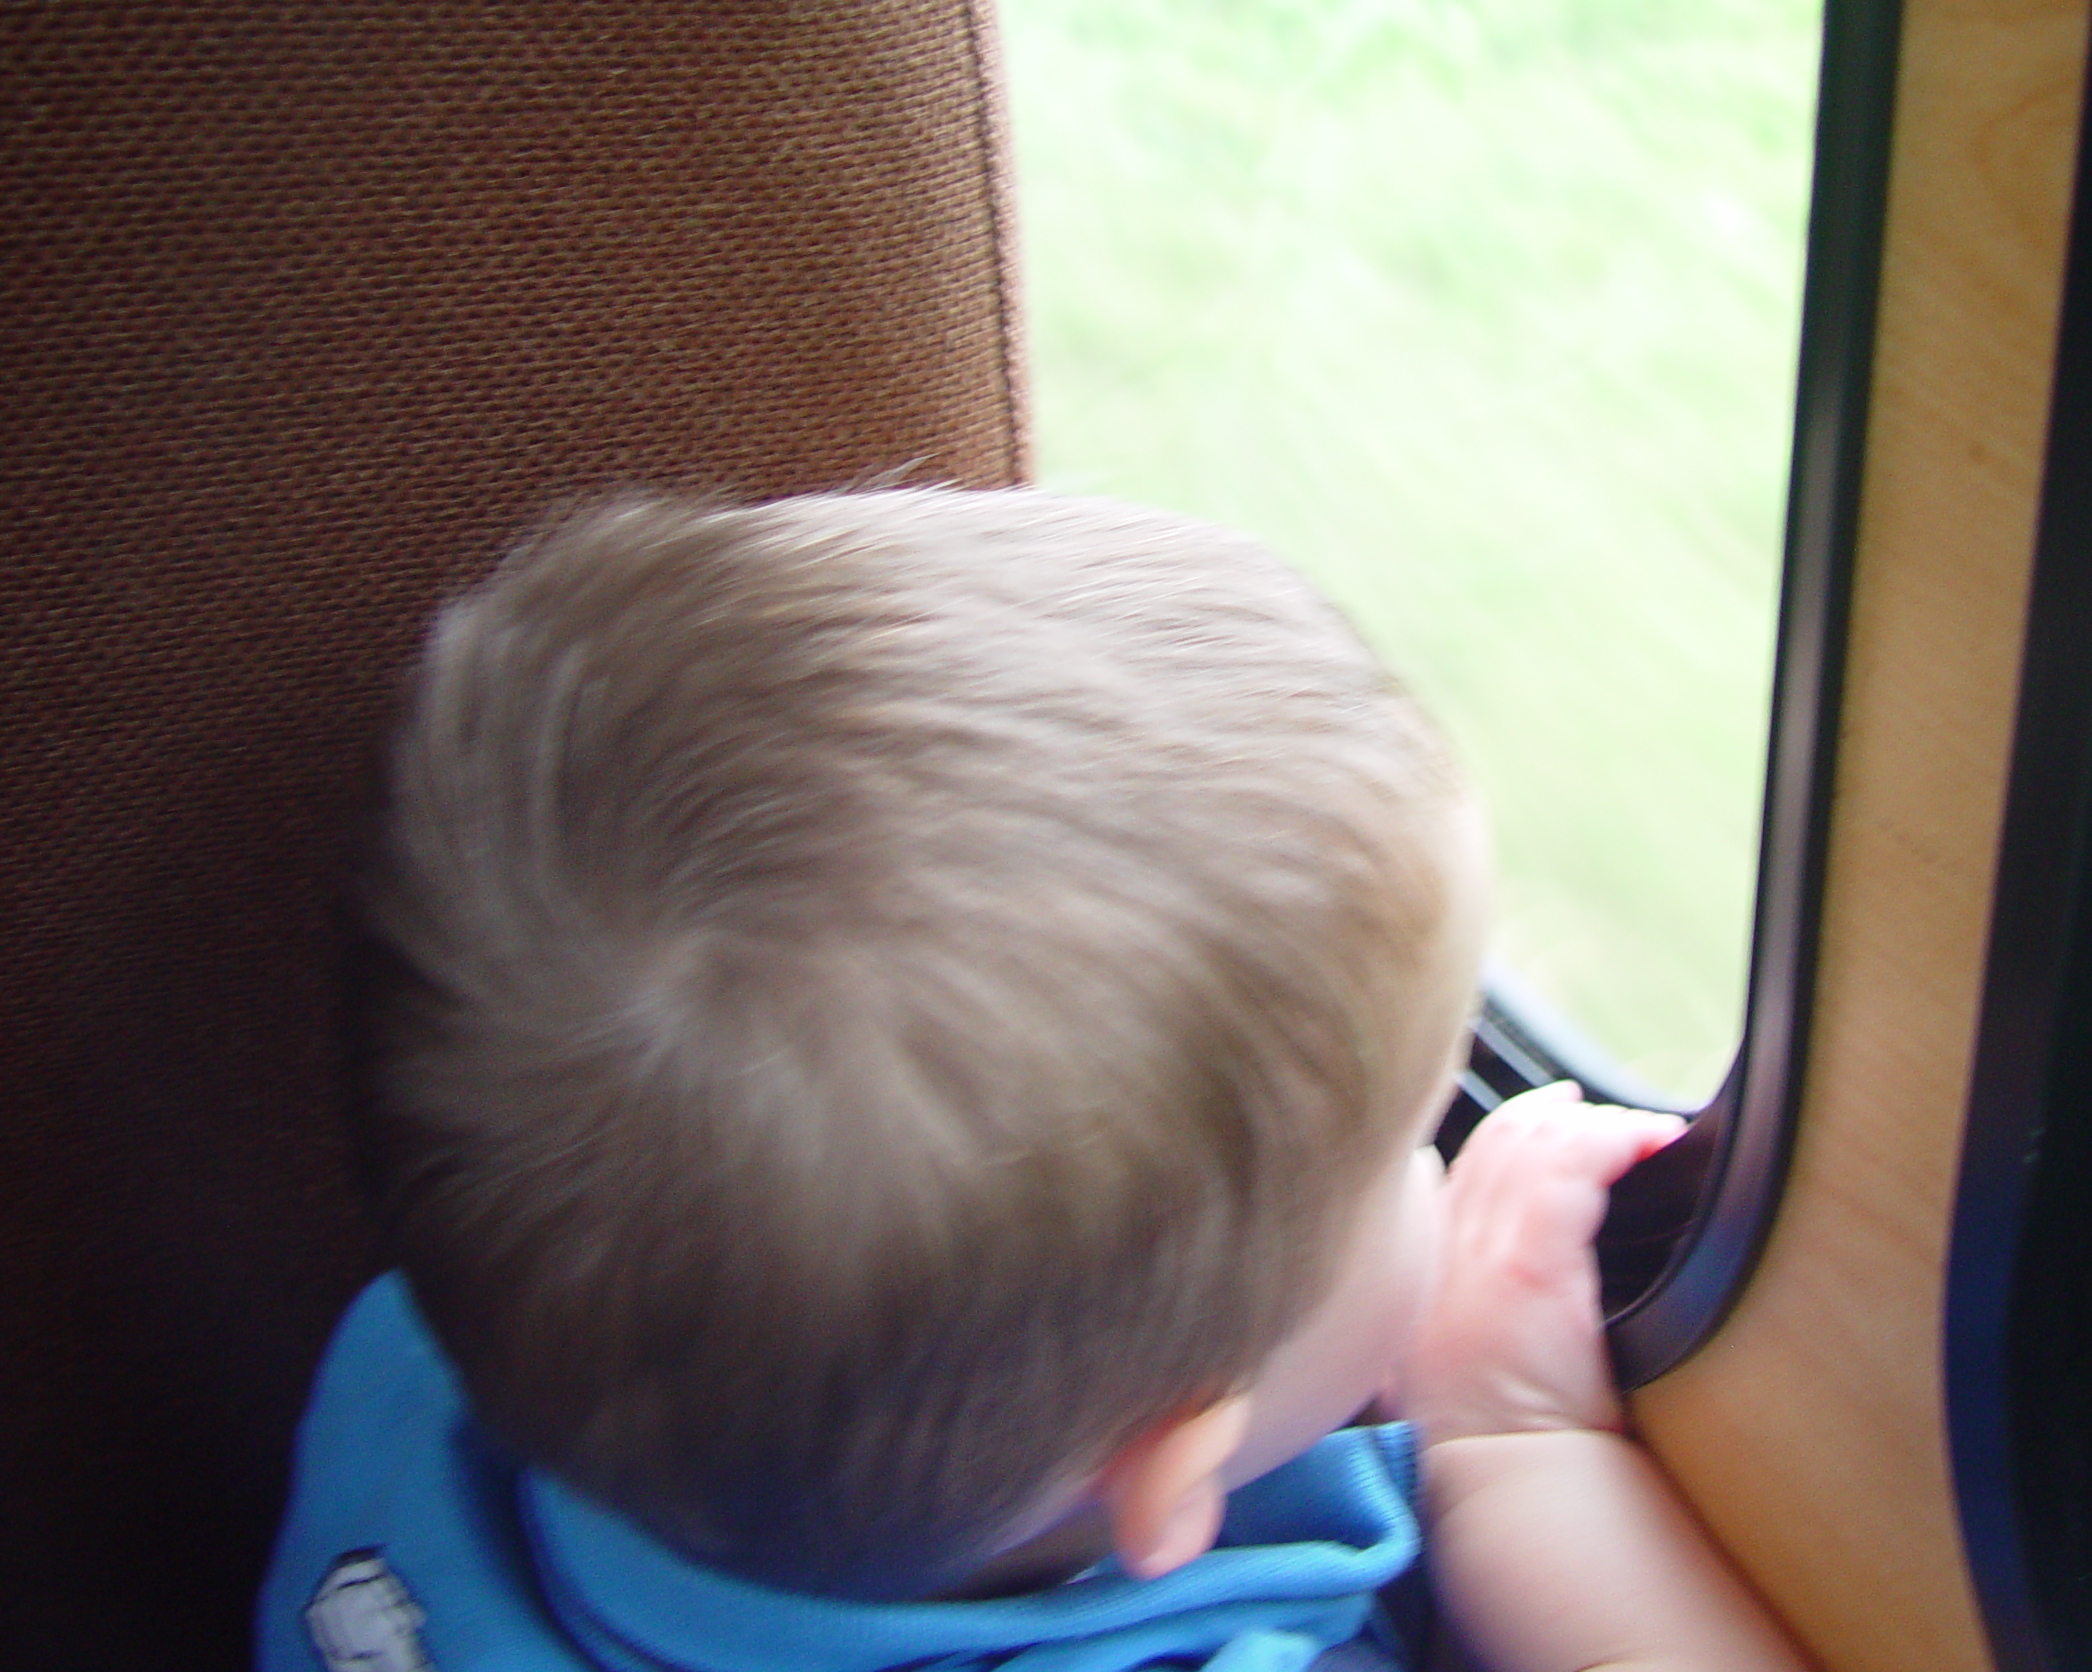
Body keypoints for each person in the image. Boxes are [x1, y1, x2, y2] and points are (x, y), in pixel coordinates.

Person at [260, 489, 1804, 1672]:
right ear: (1171, 1469)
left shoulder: (431, 1373)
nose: (1441, 1148)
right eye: (1412, 1137)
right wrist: (1516, 1449)